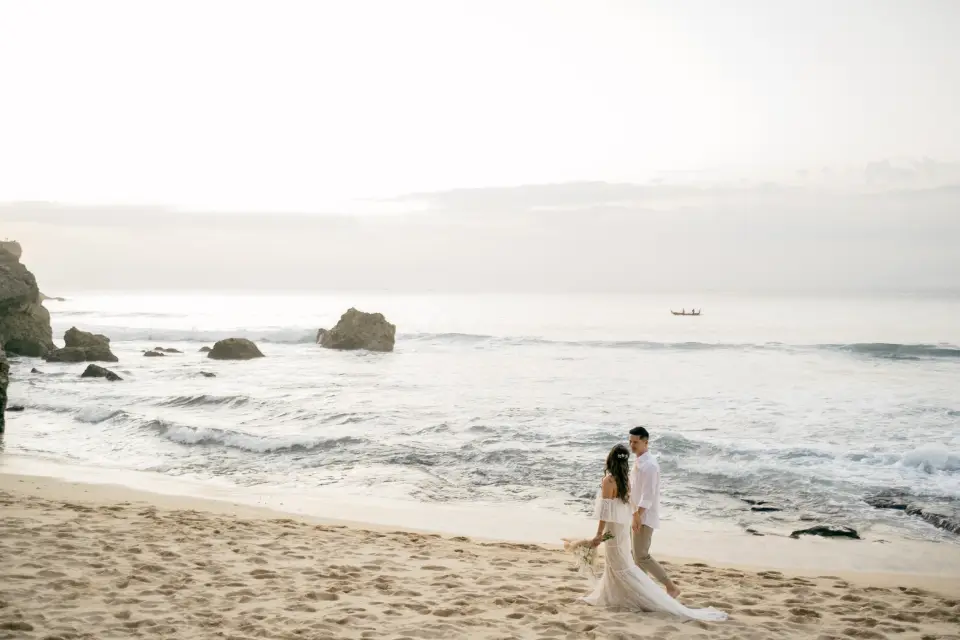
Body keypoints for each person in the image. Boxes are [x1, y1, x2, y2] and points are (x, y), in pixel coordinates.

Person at [580, 442, 727, 621]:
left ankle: (645, 596)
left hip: (613, 529)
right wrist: (633, 519)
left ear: (610, 459)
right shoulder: (625, 479)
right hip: (622, 530)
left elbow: (605, 511)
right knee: (622, 564)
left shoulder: (608, 481)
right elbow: (628, 505)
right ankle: (612, 595)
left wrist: (598, 534)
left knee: (620, 567)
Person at [628, 426, 679, 597]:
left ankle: (671, 586)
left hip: (644, 516)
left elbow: (647, 496)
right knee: (636, 556)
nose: (632, 445)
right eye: (630, 442)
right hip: (636, 514)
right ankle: (644, 591)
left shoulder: (649, 465)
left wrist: (638, 517)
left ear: (645, 442)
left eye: (635, 442)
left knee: (641, 555)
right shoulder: (639, 461)